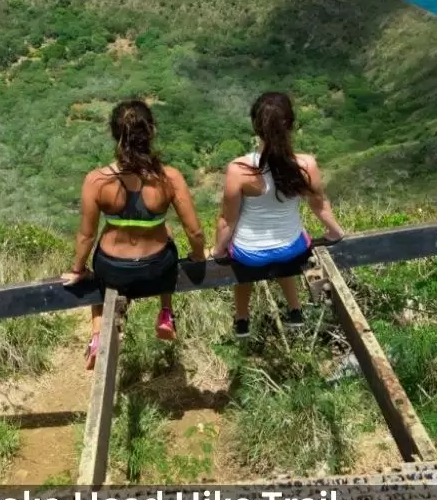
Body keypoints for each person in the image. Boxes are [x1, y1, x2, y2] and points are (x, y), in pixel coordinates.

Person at [62, 99, 206, 369]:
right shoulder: (169, 178)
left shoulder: (97, 180)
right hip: (157, 269)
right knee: (168, 237)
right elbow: (195, 230)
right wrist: (198, 257)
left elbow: (86, 236)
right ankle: (165, 313)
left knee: (96, 279)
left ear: (115, 135)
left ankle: (97, 337)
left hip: (114, 270)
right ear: (152, 131)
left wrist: (78, 269)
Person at [211, 91, 345, 338]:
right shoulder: (306, 164)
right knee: (288, 248)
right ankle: (295, 310)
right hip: (292, 249)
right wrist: (335, 233)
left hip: (248, 254)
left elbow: (227, 220)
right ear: (291, 124)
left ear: (255, 126)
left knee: (242, 265)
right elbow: (319, 205)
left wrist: (217, 251)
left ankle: (242, 318)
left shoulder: (239, 169)